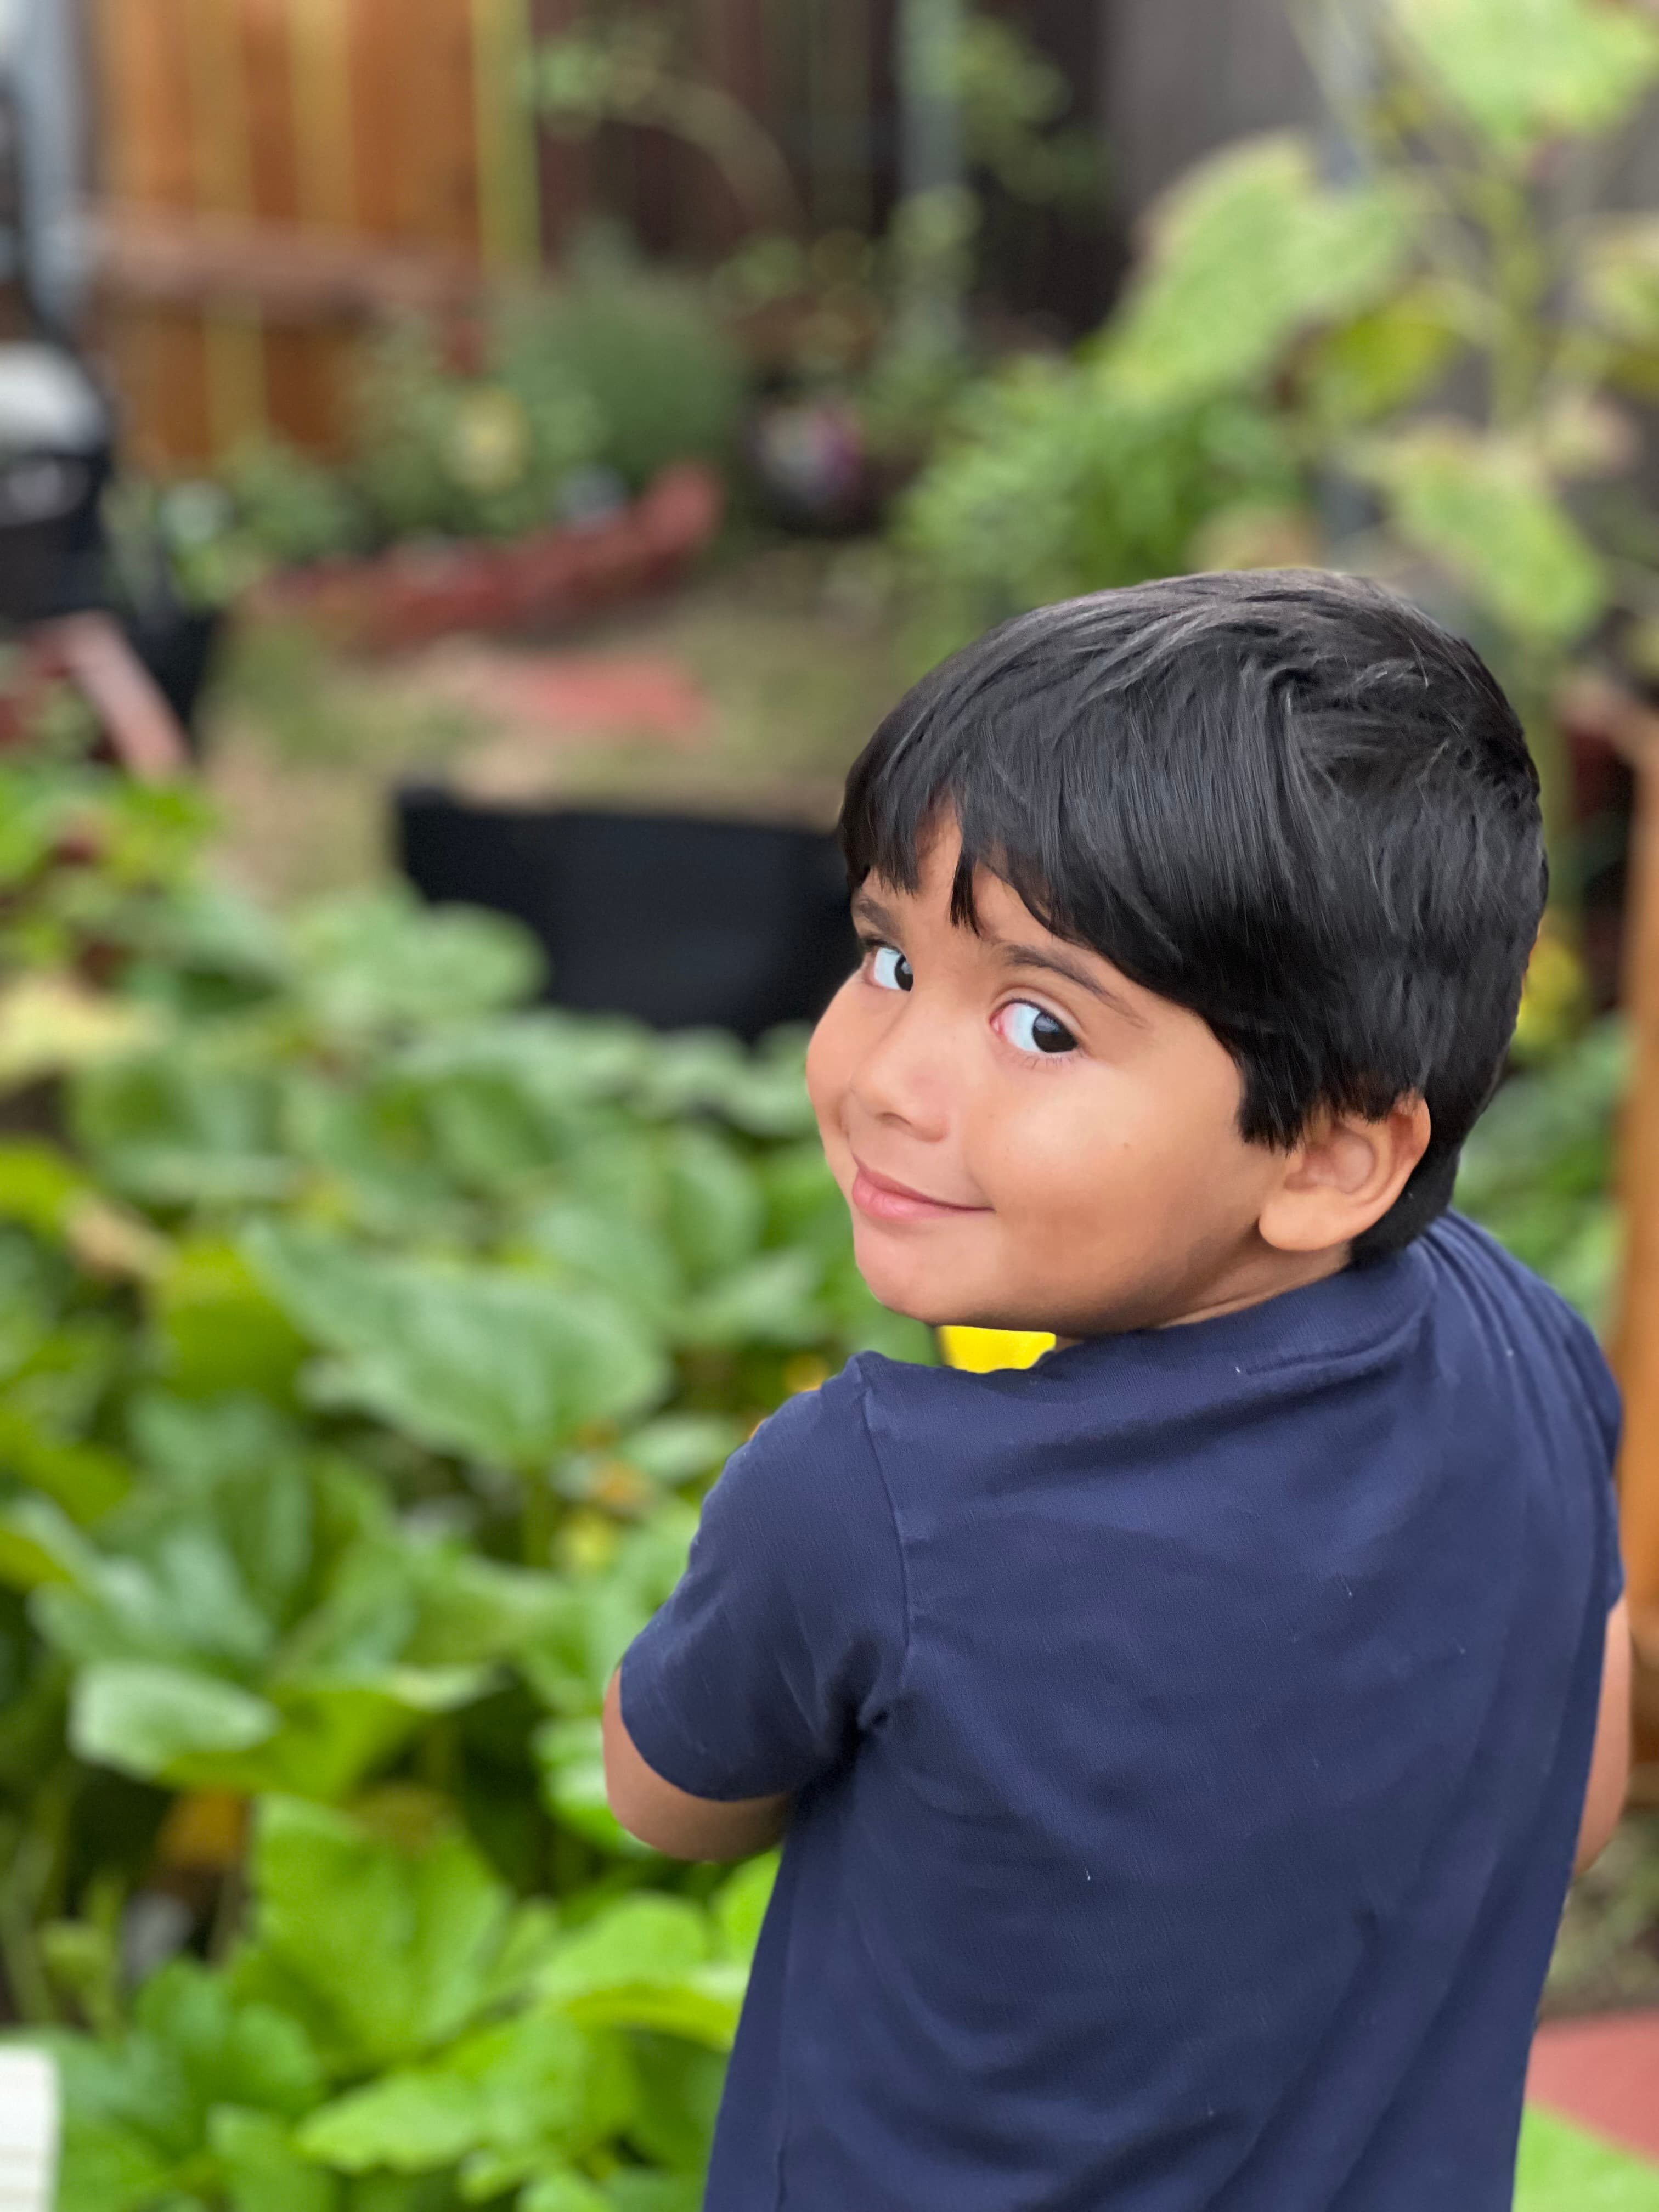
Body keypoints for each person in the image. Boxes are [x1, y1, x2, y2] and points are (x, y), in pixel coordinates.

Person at [602, 572, 1633, 2211]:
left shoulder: (874, 1500)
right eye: (886, 958)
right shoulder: (1526, 1345)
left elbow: (671, 1798)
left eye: (1036, 1022)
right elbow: (1570, 1794)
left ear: (1330, 1151)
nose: (888, 1083)